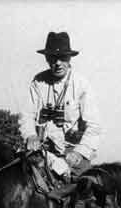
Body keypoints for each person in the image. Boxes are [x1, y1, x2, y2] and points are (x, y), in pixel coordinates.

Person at [20, 31, 101, 178]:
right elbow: (27, 115)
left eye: (62, 58)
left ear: (69, 58)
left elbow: (94, 126)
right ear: (46, 58)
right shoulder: (38, 82)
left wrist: (80, 152)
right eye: (52, 58)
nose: (57, 63)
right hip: (42, 151)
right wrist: (31, 136)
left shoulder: (82, 84)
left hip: (72, 153)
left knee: (83, 190)